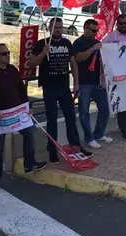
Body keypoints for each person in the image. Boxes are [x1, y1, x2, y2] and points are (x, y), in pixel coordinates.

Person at [29, 17, 93, 163]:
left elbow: (73, 64)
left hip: (64, 87)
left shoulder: (66, 43)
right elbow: (31, 63)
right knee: (52, 120)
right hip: (49, 87)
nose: (58, 30)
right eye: (55, 27)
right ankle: (52, 151)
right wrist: (43, 53)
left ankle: (76, 147)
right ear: (49, 28)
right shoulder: (41, 44)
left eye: (60, 27)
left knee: (71, 117)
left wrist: (76, 83)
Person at [0, 43, 47, 189]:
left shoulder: (12, 69)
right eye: (4, 54)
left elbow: (21, 89)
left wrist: (28, 106)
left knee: (30, 133)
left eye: (8, 53)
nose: (8, 55)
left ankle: (29, 164)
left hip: (18, 112)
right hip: (0, 116)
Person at [73, 19, 113, 148]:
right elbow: (78, 58)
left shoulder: (97, 42)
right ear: (85, 28)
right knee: (84, 111)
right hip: (84, 83)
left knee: (105, 109)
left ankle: (99, 134)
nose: (95, 33)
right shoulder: (78, 43)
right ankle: (89, 138)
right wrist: (93, 49)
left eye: (96, 30)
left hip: (97, 82)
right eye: (93, 30)